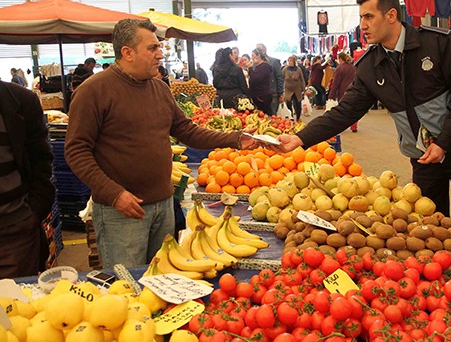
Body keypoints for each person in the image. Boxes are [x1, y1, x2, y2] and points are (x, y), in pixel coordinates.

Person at [273, 0, 451, 238]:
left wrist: (443, 142)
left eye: (369, 17)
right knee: (431, 230)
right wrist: (301, 138)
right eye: (361, 18)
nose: (362, 25)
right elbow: (345, 111)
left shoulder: (437, 44)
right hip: (423, 158)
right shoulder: (369, 66)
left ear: (391, 15)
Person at [65, 19, 259, 268]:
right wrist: (114, 194)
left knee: (161, 281)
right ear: (128, 53)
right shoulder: (93, 91)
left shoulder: (160, 88)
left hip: (163, 206)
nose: (160, 54)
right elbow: (76, 151)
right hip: (122, 212)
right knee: (128, 287)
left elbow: (187, 131)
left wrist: (235, 138)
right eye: (153, 48)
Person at [0, 80, 55, 277]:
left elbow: (41, 160)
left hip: (14, 235)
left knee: (18, 305)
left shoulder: (21, 101)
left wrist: (33, 213)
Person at [329, 52, 358, 132]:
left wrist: (331, 95)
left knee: (343, 110)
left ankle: (342, 126)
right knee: (353, 109)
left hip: (343, 91)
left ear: (341, 59)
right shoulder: (353, 67)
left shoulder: (340, 68)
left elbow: (336, 83)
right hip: (353, 90)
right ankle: (354, 127)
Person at [255, 43, 284, 115]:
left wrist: (280, 93)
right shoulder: (255, 64)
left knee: (272, 115)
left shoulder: (274, 62)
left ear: (264, 50)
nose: (257, 52)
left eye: (259, 50)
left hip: (272, 93)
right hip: (259, 95)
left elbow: (279, 77)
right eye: (256, 50)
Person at [248, 48, 274, 115]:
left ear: (258, 55)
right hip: (258, 95)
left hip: (262, 96)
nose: (252, 58)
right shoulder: (258, 67)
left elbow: (255, 79)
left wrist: (250, 68)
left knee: (265, 113)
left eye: (253, 55)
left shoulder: (264, 67)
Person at [282, 55, 305, 121]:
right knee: (288, 103)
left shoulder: (298, 69)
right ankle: (290, 116)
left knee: (298, 104)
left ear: (294, 62)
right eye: (289, 61)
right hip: (288, 89)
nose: (290, 62)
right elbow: (281, 78)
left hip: (297, 89)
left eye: (291, 61)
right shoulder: (285, 69)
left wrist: (304, 89)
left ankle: (298, 117)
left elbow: (302, 79)